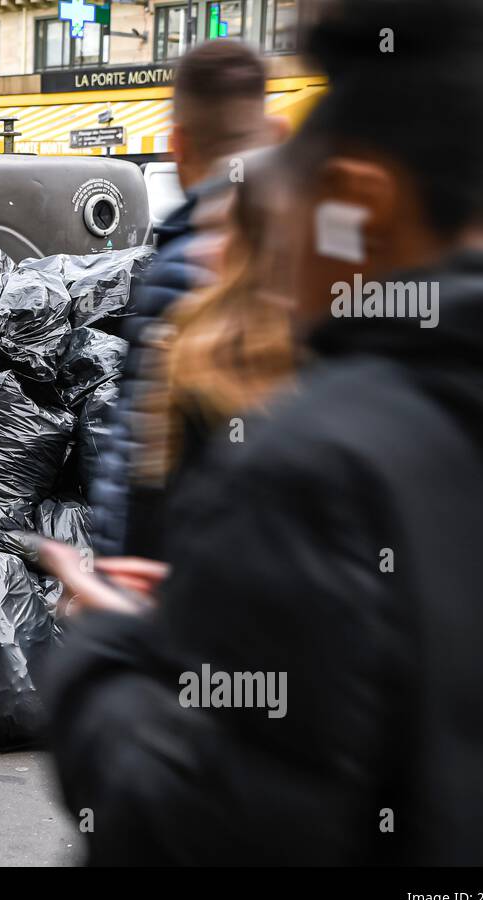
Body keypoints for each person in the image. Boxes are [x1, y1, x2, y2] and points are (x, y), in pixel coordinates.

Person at [46, 0, 483, 866]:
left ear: (358, 206)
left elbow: (196, 826)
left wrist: (107, 654)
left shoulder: (315, 471)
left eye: (288, 216)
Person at [89, 40, 281, 560]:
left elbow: (141, 454)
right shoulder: (311, 251)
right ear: (272, 131)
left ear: (178, 145)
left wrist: (116, 576)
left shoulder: (184, 264)